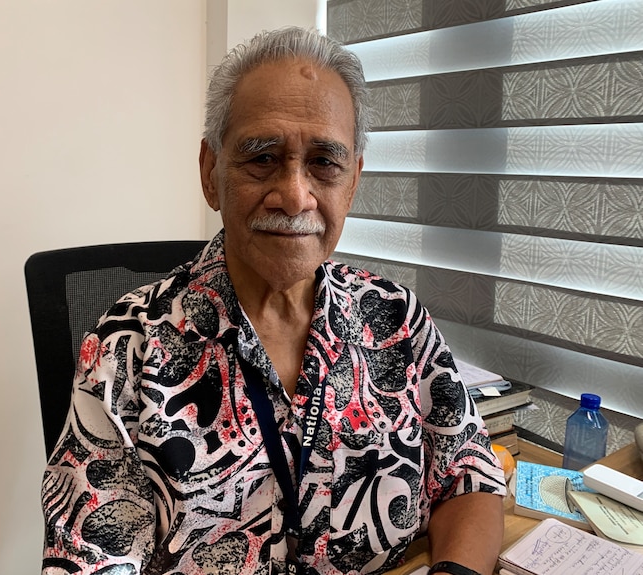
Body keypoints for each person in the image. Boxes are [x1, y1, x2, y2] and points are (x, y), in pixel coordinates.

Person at [42, 27, 506, 575]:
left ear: (353, 181)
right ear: (210, 173)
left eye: (324, 163)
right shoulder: (126, 350)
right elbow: (93, 556)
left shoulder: (396, 316)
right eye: (262, 157)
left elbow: (469, 477)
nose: (294, 194)